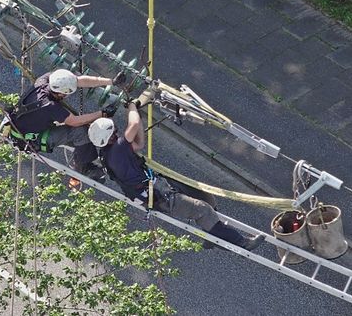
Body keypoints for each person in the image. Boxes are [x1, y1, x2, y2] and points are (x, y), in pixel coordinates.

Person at [87, 100, 262, 251]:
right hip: (158, 196)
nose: (117, 131)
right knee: (202, 210)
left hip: (157, 186)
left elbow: (138, 144)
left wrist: (137, 114)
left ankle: (212, 234)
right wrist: (131, 106)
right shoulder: (117, 149)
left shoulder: (110, 153)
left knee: (201, 194)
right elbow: (132, 126)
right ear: (110, 136)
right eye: (114, 129)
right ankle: (242, 243)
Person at [3, 69, 125, 175]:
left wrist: (111, 81)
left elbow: (78, 81)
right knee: (81, 131)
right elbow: (74, 122)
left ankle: (86, 150)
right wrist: (102, 113)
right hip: (31, 139)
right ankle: (84, 166)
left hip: (24, 125)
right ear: (61, 92)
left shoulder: (44, 81)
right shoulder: (50, 106)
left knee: (83, 130)